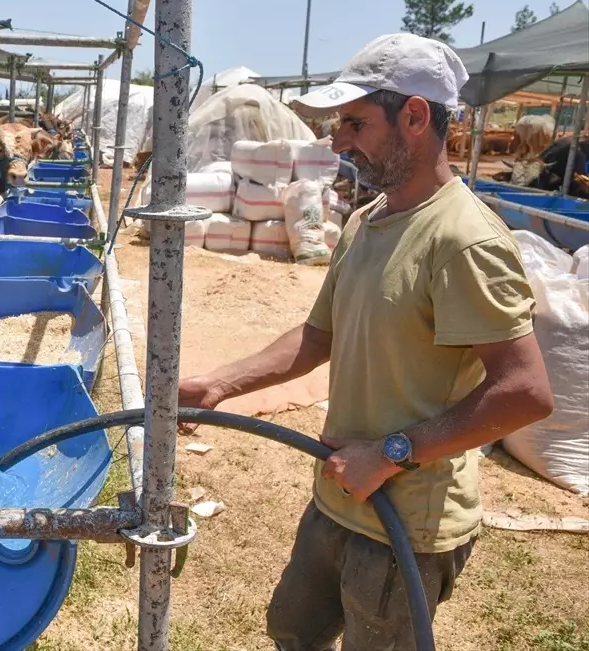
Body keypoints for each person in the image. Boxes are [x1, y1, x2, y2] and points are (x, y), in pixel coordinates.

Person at [178, 33, 554, 651]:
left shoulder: (463, 240)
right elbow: (319, 335)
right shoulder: (366, 219)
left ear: (414, 116)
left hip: (405, 518)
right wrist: (222, 383)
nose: (337, 140)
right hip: (342, 491)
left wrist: (393, 451)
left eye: (354, 122)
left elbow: (526, 393)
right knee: (293, 630)